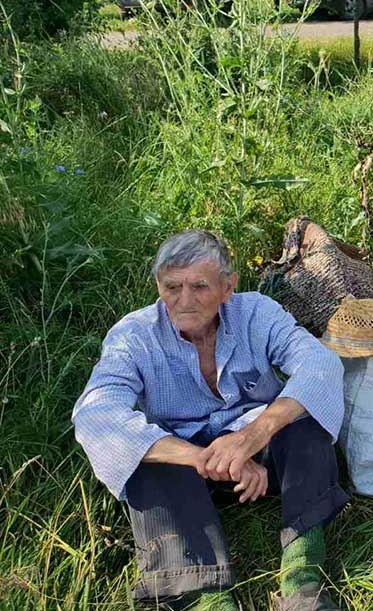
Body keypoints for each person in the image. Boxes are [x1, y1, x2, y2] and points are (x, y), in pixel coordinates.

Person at [73, 230, 348, 611]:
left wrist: (253, 437)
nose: (185, 301)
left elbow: (319, 364)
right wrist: (201, 458)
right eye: (172, 287)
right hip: (185, 467)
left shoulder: (257, 313)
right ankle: (207, 601)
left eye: (200, 286)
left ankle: (303, 581)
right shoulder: (134, 336)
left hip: (259, 453)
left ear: (227, 286)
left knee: (305, 423)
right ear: (158, 285)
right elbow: (96, 413)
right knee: (144, 460)